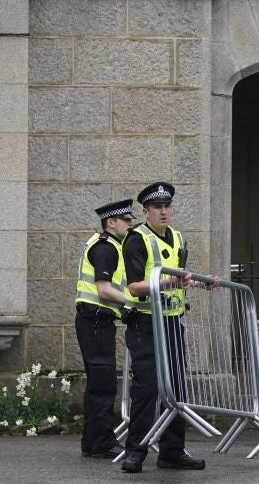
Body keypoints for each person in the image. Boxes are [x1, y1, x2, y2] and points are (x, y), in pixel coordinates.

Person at [120, 182, 204, 473]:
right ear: (146, 211)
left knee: (177, 388)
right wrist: (169, 281)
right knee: (146, 389)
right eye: (157, 207)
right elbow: (134, 286)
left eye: (167, 206)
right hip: (145, 323)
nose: (164, 212)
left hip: (172, 321)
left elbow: (181, 278)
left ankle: (172, 452)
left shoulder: (178, 237)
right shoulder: (136, 239)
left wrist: (204, 282)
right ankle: (135, 452)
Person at [75, 199, 135, 459]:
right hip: (96, 321)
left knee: (98, 383)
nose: (130, 224)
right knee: (103, 383)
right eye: (126, 220)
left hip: (96, 321)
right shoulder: (106, 248)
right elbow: (103, 289)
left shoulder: (106, 245)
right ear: (111, 222)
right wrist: (132, 302)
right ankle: (102, 443)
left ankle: (91, 442)